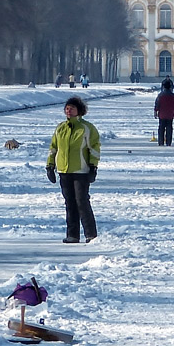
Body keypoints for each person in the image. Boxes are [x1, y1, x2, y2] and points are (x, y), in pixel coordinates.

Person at [45, 96, 100, 243]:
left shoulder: (87, 128)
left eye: (72, 108)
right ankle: (72, 235)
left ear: (79, 111)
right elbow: (53, 148)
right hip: (64, 170)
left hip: (81, 171)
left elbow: (94, 148)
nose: (69, 111)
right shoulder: (60, 128)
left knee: (82, 201)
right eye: (67, 108)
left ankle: (90, 234)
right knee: (69, 203)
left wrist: (93, 166)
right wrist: (50, 166)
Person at [153, 78, 174, 146]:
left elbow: (157, 104)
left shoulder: (160, 95)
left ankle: (161, 142)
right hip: (170, 115)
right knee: (169, 128)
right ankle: (168, 142)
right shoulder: (173, 96)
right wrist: (173, 111)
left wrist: (156, 111)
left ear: (163, 86)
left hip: (162, 114)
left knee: (161, 129)